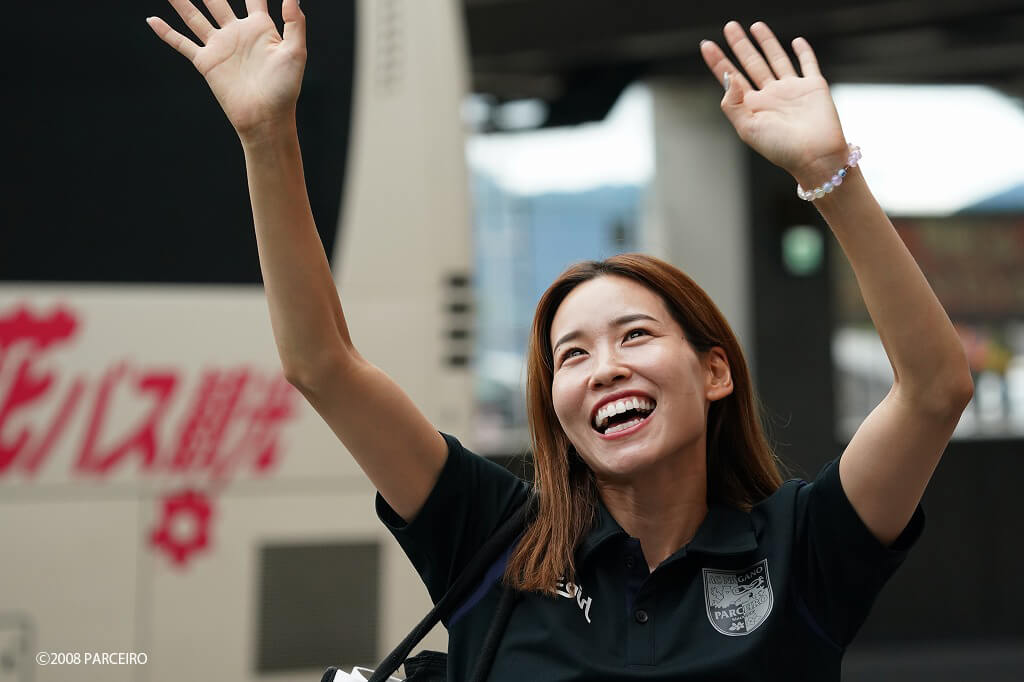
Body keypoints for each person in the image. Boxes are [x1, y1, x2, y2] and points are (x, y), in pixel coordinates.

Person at [148, 3, 973, 679]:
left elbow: (935, 390)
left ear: (715, 371)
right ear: (555, 402)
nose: (604, 368)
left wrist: (829, 174)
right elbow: (322, 365)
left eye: (635, 335)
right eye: (571, 355)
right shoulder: (490, 535)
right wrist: (267, 137)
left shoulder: (803, 549)